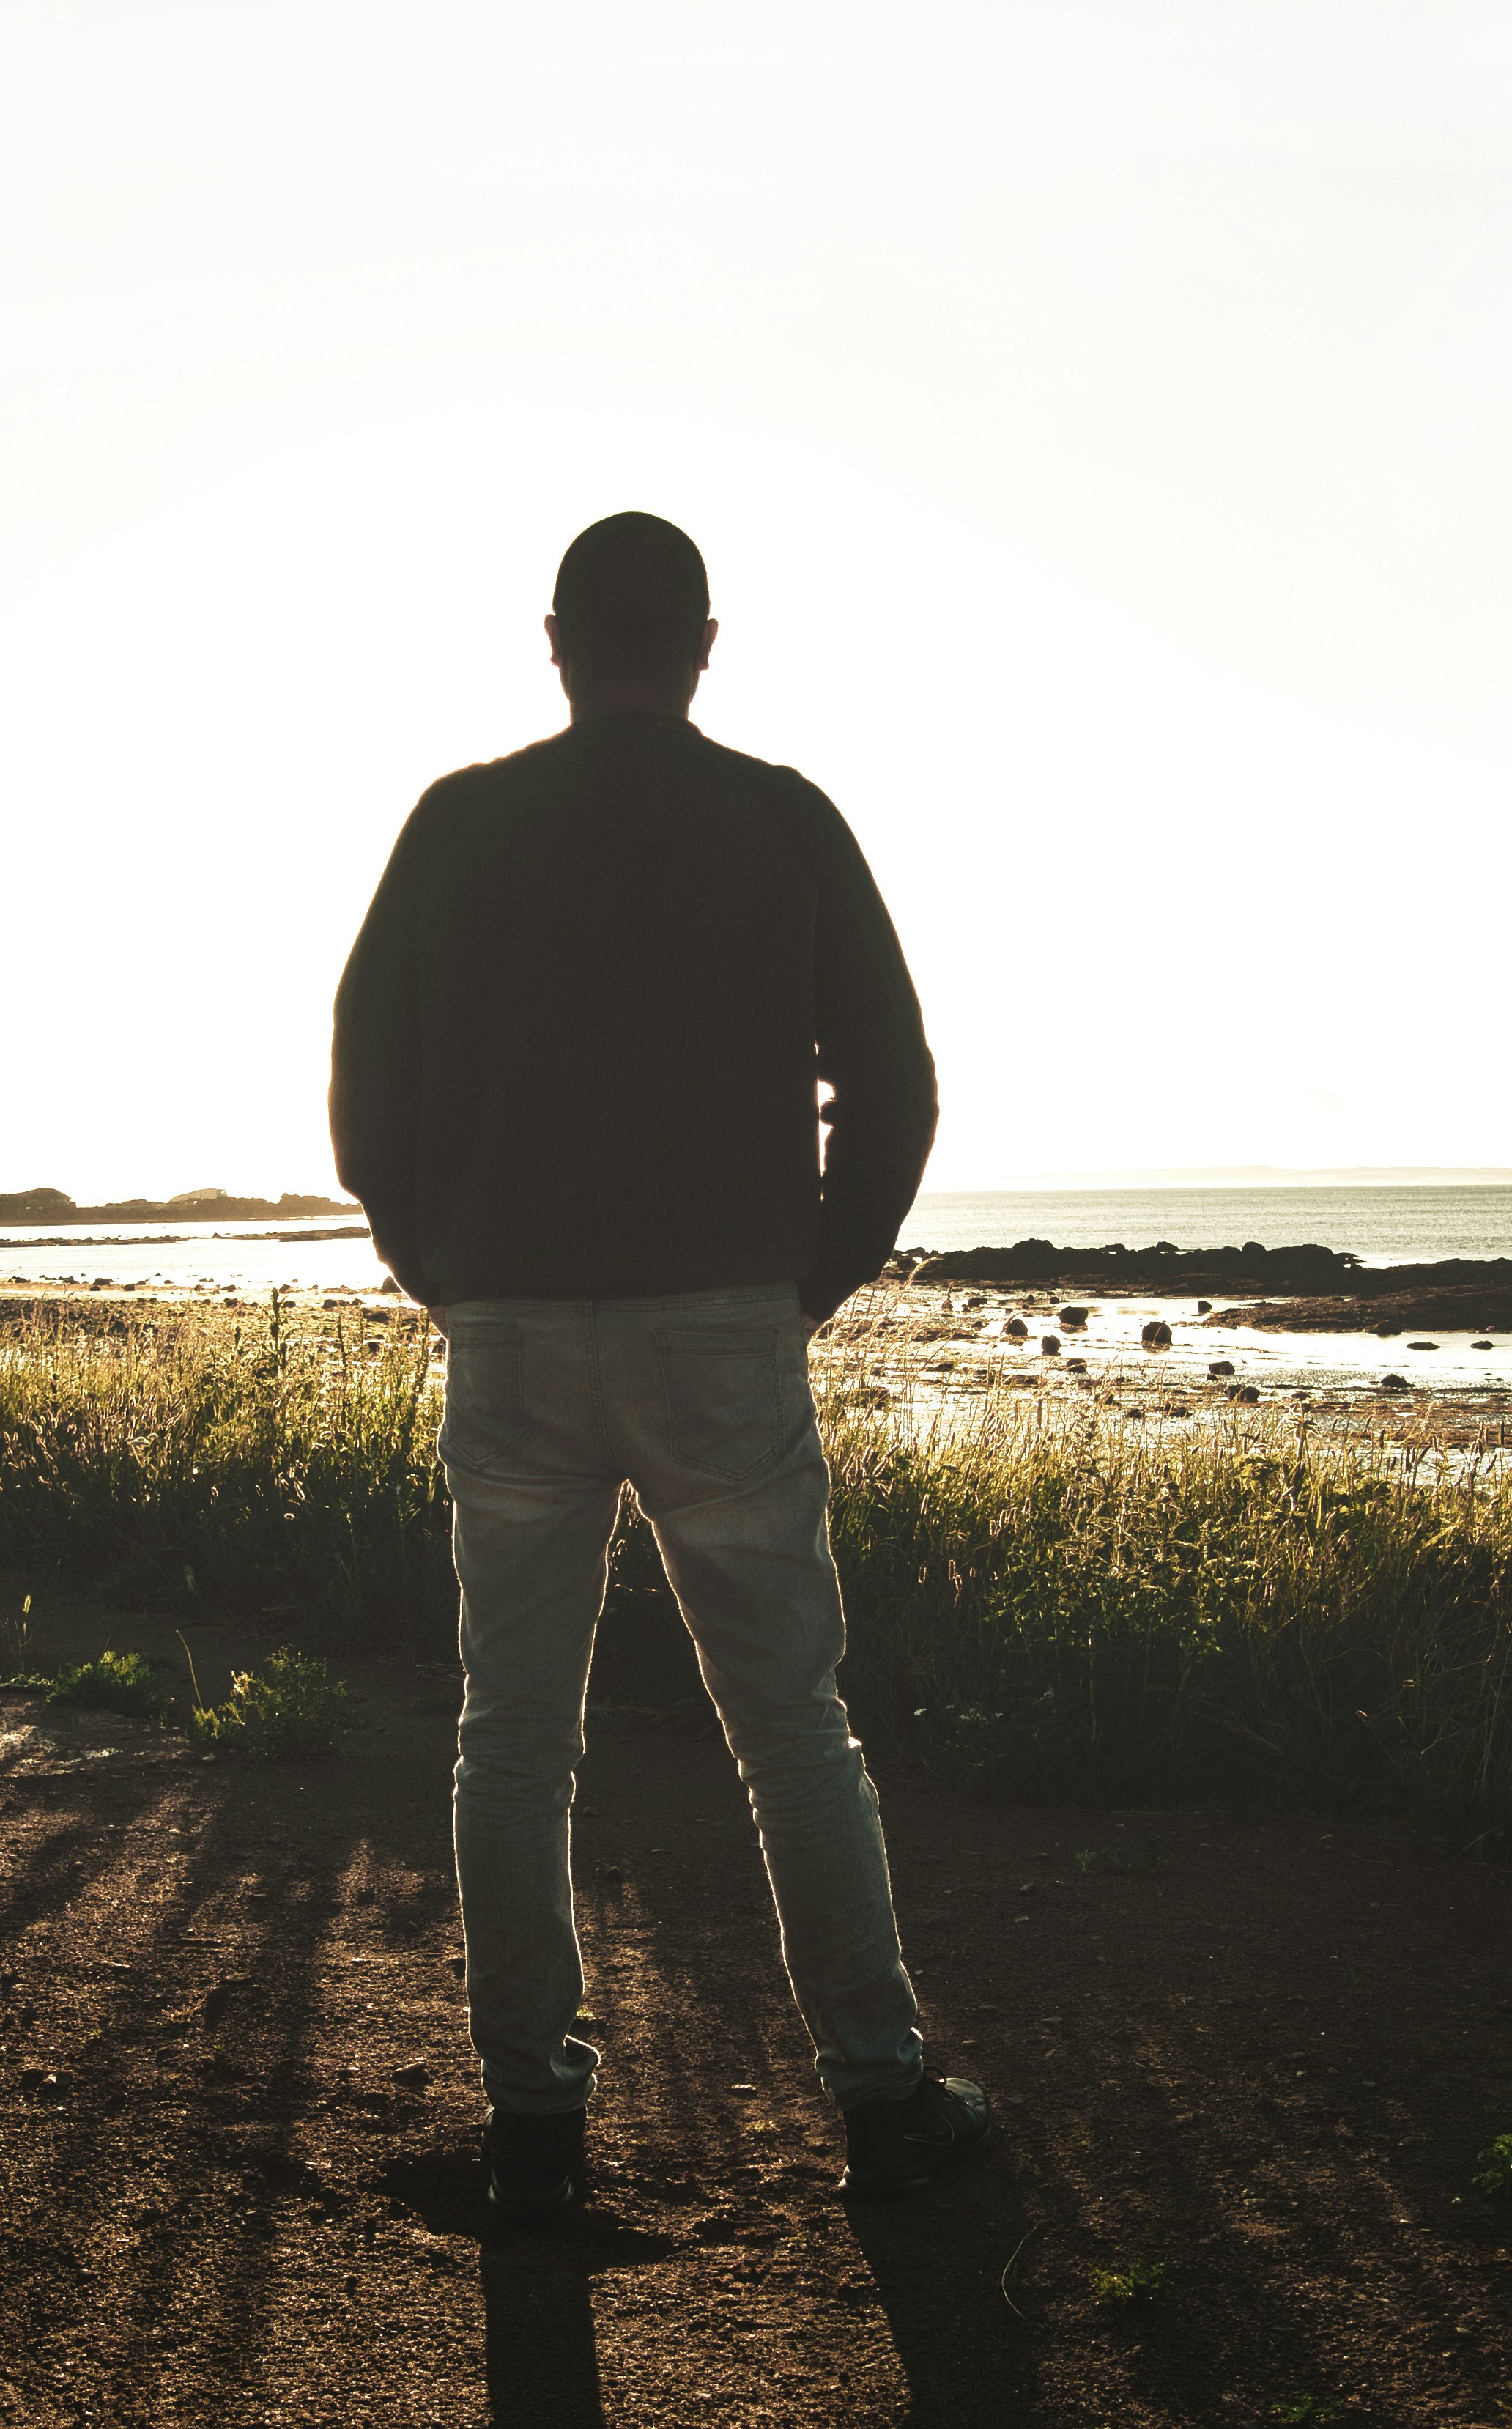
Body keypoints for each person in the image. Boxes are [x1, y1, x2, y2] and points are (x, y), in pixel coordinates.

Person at [330, 511, 989, 2214]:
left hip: (515, 1323)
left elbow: (363, 1086)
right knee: (791, 1722)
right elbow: (898, 1089)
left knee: (512, 1734)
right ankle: (882, 2098)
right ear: (702, 643)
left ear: (554, 639)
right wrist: (808, 1279)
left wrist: (443, 1264)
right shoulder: (782, 821)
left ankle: (533, 2126)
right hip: (722, 1319)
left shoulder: (458, 825)